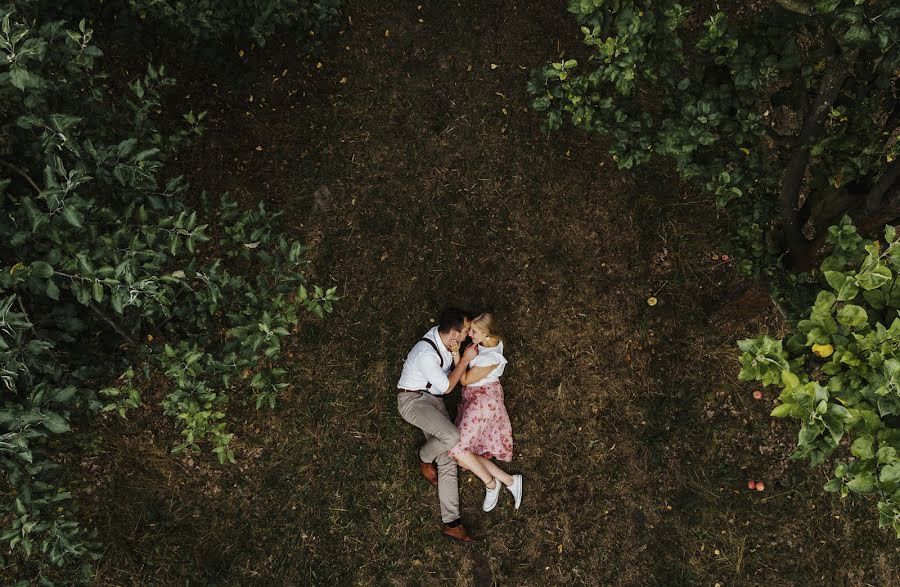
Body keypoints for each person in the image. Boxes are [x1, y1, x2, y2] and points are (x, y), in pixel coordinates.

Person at [396, 307, 480, 542]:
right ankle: (423, 457)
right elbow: (447, 387)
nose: (467, 336)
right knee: (452, 437)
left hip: (430, 397)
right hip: (412, 401)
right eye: (465, 332)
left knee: (447, 456)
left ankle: (452, 523)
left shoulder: (444, 338)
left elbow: (444, 381)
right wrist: (464, 359)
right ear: (454, 334)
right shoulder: (427, 353)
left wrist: (456, 355)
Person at [448, 313, 522, 512]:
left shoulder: (491, 357)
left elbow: (463, 380)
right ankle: (509, 480)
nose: (470, 334)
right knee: (464, 452)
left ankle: (491, 484)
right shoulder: (489, 342)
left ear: (486, 333)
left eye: (474, 331)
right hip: (478, 397)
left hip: (483, 401)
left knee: (456, 449)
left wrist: (459, 356)